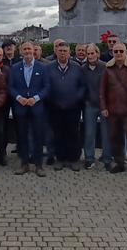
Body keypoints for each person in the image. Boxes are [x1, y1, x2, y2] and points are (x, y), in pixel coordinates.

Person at [100, 42, 127, 178]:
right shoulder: (108, 69)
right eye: (116, 51)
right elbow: (102, 90)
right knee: (115, 138)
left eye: (121, 51)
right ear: (112, 53)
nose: (118, 54)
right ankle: (119, 163)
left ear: (126, 53)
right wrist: (103, 107)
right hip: (113, 110)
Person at [8, 42, 50, 176]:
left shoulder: (43, 68)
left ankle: (38, 165)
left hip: (37, 107)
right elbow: (11, 87)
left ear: (34, 51)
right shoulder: (14, 68)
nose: (27, 51)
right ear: (20, 52)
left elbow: (47, 87)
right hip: (21, 107)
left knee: (38, 136)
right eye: (24, 49)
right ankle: (24, 163)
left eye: (29, 49)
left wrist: (36, 98)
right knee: (22, 136)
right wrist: (19, 97)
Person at [46, 41, 85, 171]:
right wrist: (53, 100)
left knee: (73, 133)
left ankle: (73, 159)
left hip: (73, 107)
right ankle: (60, 159)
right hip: (55, 108)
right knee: (58, 134)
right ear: (56, 52)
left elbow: (82, 86)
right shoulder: (49, 68)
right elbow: (46, 87)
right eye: (60, 51)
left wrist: (75, 99)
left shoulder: (77, 68)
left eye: (65, 51)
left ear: (69, 53)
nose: (62, 53)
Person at [81, 43, 111, 170]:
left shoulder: (105, 67)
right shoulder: (82, 69)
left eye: (93, 53)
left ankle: (108, 158)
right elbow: (80, 86)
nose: (90, 56)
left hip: (104, 106)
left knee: (106, 133)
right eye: (88, 54)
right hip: (90, 105)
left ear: (97, 54)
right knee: (89, 133)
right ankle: (89, 158)